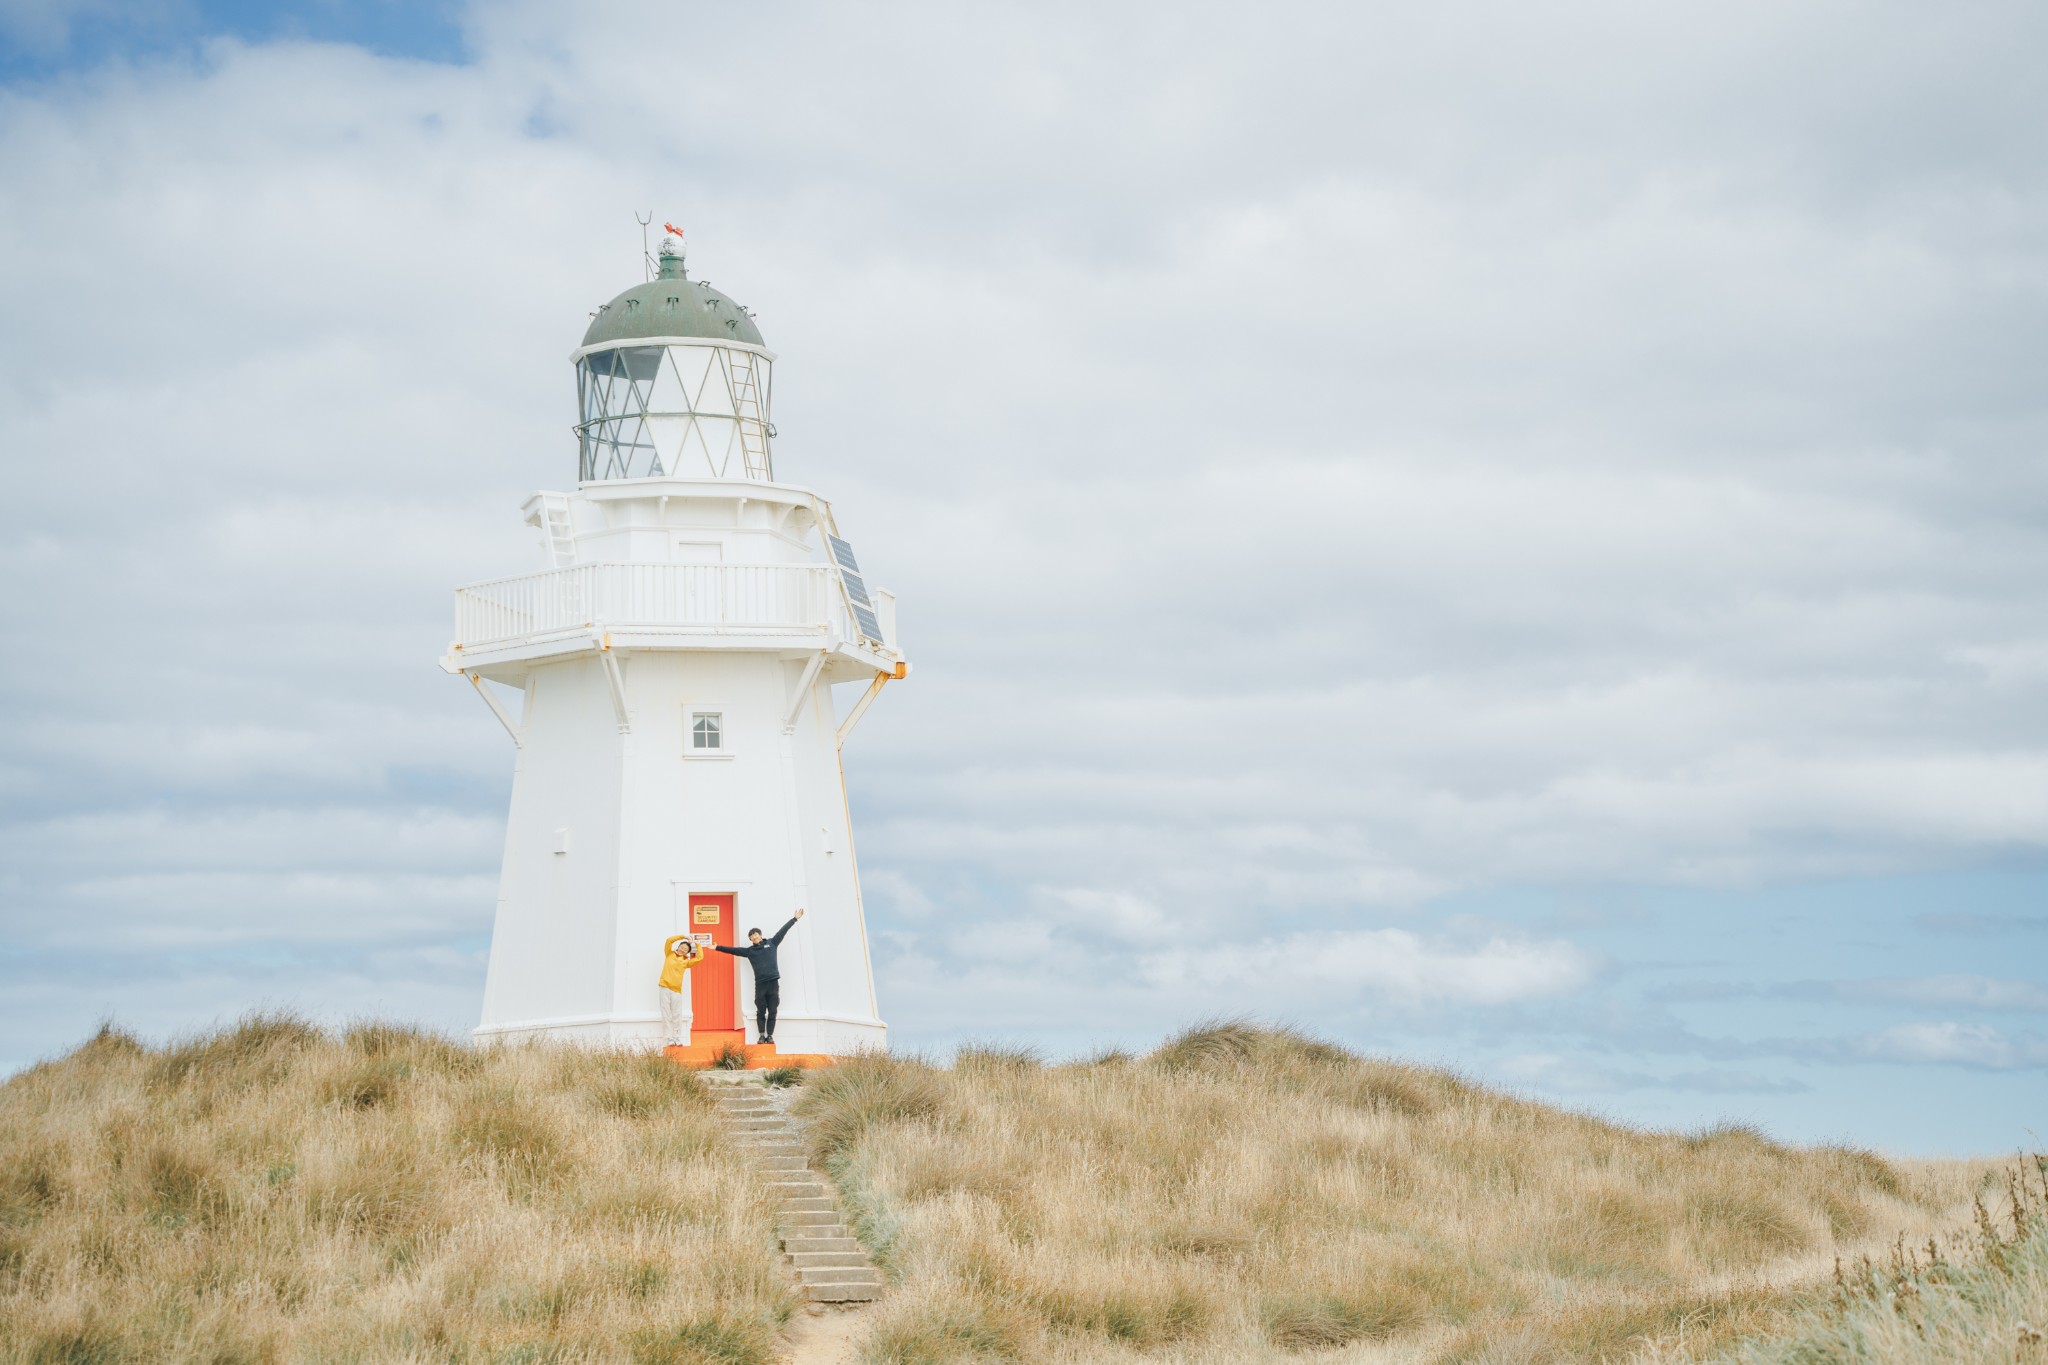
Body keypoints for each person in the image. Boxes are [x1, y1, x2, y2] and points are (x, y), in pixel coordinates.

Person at [714, 908, 804, 1045]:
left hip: (773, 983)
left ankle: (770, 1036)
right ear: (750, 939)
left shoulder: (772, 943)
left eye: (756, 934)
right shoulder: (750, 951)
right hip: (760, 985)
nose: (754, 937)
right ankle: (761, 1036)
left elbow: (782, 931)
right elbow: (734, 950)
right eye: (751, 936)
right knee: (760, 1011)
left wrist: (794, 919)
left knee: (773, 1010)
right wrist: (717, 948)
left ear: (760, 935)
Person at [656, 934, 710, 1047]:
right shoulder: (669, 954)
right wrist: (683, 937)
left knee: (676, 1014)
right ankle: (669, 1037)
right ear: (678, 947)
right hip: (664, 987)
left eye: (685, 949)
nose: (682, 950)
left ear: (687, 952)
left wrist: (696, 944)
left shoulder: (686, 962)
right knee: (666, 1014)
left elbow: (700, 958)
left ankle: (677, 1037)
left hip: (676, 990)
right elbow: (668, 940)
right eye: (682, 947)